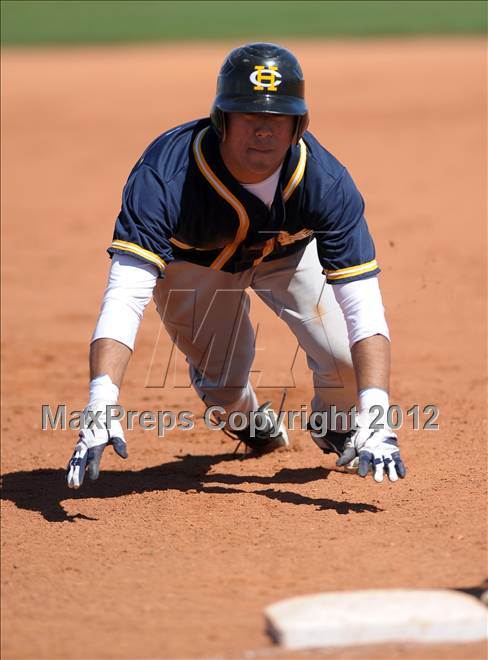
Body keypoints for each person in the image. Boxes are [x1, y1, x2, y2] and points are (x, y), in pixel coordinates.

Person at [66, 42, 406, 489]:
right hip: (195, 267)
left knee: (344, 359)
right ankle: (245, 418)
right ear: (222, 120)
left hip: (285, 255)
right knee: (224, 391)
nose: (264, 131)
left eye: (278, 118)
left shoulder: (325, 181)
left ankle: (335, 422)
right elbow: (125, 294)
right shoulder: (164, 176)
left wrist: (377, 411)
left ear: (298, 126)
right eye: (249, 116)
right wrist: (101, 398)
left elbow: (362, 301)